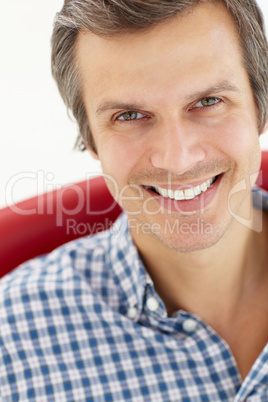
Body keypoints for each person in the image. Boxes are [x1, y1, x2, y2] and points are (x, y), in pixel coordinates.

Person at [1, 0, 268, 400]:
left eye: (208, 102)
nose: (177, 160)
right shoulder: (10, 342)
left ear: (259, 107)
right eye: (129, 115)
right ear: (91, 138)